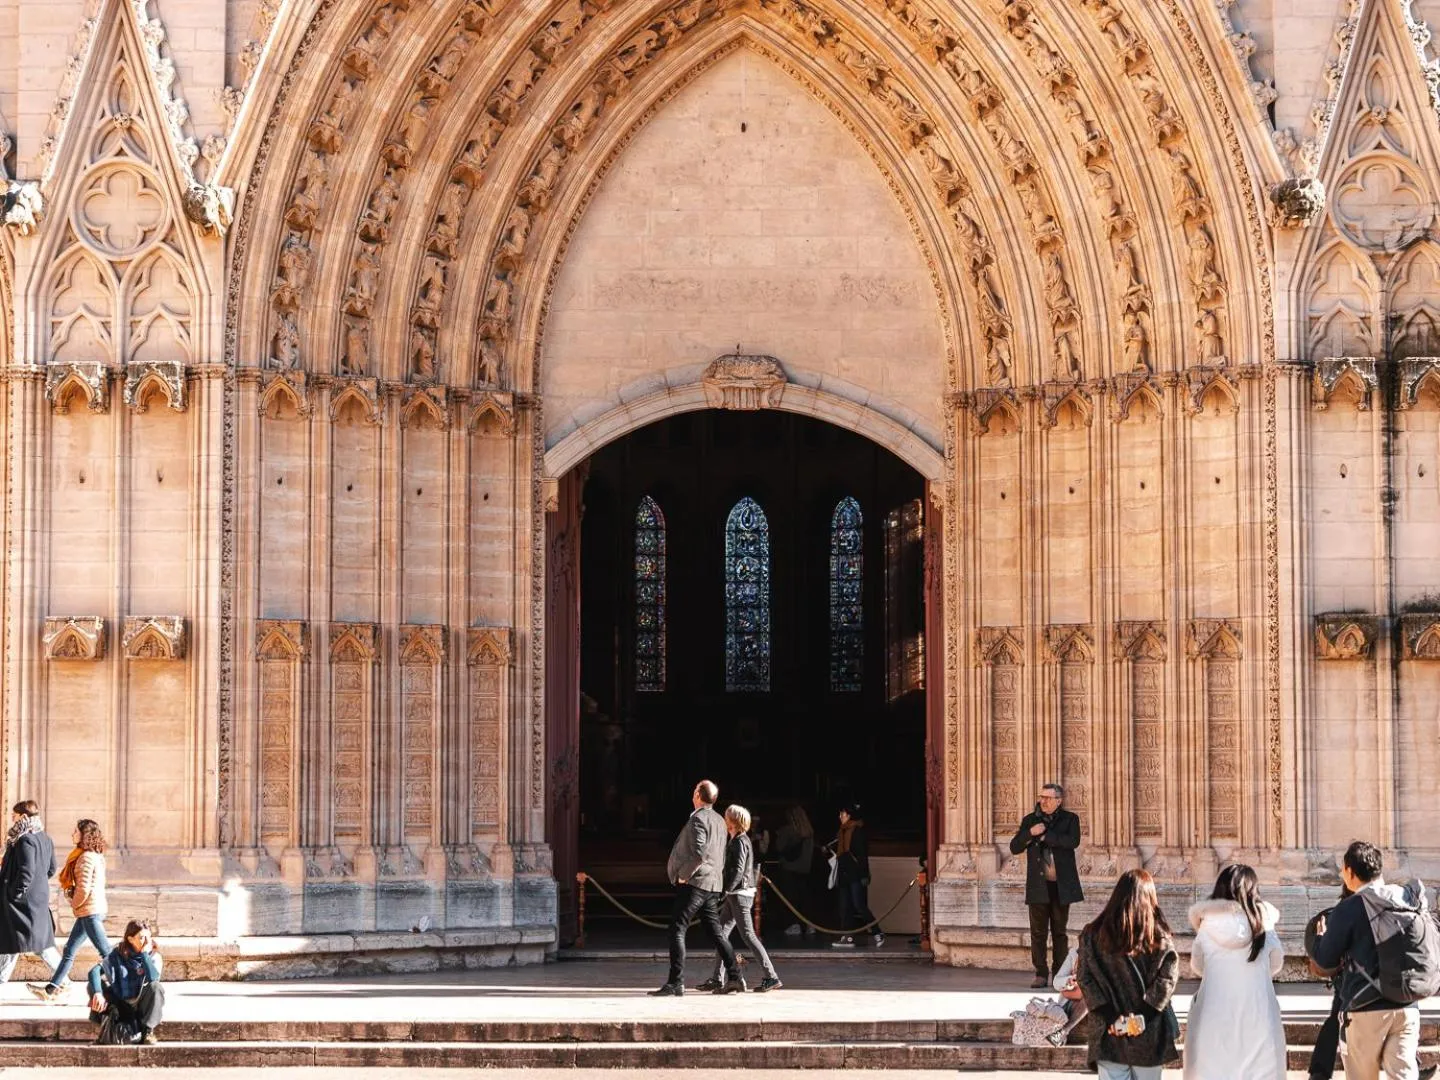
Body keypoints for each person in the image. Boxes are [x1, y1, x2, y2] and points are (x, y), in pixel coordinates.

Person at [1311, 840, 1427, 1080]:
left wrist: (1320, 937)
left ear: (1350, 872)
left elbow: (1325, 960)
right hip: (1407, 1006)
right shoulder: (1406, 897)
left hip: (1365, 1009)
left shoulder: (1349, 908)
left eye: (1343, 870)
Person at [1183, 864, 1286, 1080]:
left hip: (1214, 1015)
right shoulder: (1264, 925)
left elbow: (1197, 965)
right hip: (1258, 1016)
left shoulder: (1207, 925)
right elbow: (1276, 964)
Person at [1076, 868, 1180, 1080]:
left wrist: (1110, 1016)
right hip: (1148, 1034)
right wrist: (1142, 1016)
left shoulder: (1092, 935)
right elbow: (1166, 981)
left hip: (1108, 1033)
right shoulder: (1159, 938)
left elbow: (1085, 978)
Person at [649, 779, 740, 997]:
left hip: (696, 882)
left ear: (698, 795)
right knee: (715, 932)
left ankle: (676, 982)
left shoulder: (698, 819)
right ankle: (735, 977)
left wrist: (684, 875)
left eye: (695, 790)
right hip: (712, 884)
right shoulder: (720, 820)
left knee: (677, 928)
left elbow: (700, 854)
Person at [700, 804, 782, 993]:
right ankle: (717, 978)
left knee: (748, 936)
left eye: (726, 817)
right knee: (721, 934)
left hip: (739, 894)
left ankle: (771, 976)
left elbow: (737, 870)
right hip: (735, 894)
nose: (724, 819)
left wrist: (725, 890)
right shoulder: (738, 839)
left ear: (733, 821)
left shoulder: (739, 842)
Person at [29, 819, 112, 1002]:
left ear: (84, 835)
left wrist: (74, 903)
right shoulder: (95, 855)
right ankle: (52, 989)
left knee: (107, 953)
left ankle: (125, 987)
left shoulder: (86, 858)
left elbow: (84, 889)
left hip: (90, 912)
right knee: (69, 950)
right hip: (90, 910)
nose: (72, 834)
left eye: (76, 831)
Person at [1010, 783, 1083, 988]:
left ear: (1058, 800)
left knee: (1059, 931)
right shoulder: (1030, 820)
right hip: (1038, 885)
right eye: (1041, 797)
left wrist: (1045, 836)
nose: (1043, 801)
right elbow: (1014, 847)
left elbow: (1072, 841)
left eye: (1048, 798)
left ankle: (1059, 973)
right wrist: (1030, 833)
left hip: (1061, 886)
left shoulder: (1070, 819)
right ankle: (1041, 973)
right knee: (1038, 932)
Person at [0, 799, 60, 984]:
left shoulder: (25, 839)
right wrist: (37, 886)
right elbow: (51, 869)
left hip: (22, 902)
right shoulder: (45, 838)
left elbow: (26, 871)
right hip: (36, 899)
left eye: (15, 815)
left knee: (19, 941)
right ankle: (62, 980)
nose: (12, 818)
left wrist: (15, 893)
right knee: (16, 941)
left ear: (23, 816)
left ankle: (62, 981)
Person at [88, 920, 164, 1044]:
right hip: (121, 999)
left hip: (140, 1002)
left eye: (149, 937)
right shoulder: (118, 953)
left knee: (156, 987)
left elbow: (153, 978)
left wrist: (144, 955)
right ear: (130, 939)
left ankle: (148, 1031)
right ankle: (106, 1024)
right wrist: (98, 993)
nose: (147, 942)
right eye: (142, 938)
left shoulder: (154, 956)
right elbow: (94, 971)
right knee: (93, 985)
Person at [827, 803, 883, 948]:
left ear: (849, 816)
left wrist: (864, 874)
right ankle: (848, 937)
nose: (840, 816)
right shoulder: (841, 831)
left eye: (842, 814)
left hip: (855, 873)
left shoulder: (857, 831)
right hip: (843, 873)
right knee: (844, 907)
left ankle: (877, 932)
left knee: (859, 905)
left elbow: (862, 855)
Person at [775, 804, 815, 938]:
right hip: (805, 869)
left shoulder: (788, 831)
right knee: (805, 898)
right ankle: (809, 925)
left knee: (790, 899)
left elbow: (779, 848)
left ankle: (794, 925)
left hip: (789, 868)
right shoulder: (809, 832)